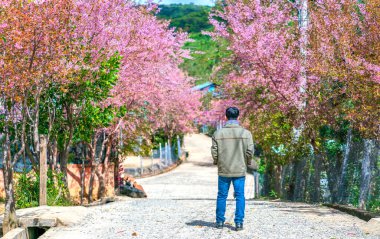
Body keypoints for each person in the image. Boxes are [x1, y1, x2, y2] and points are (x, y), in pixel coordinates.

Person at [211, 107, 254, 231]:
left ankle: (219, 221)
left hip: (224, 169)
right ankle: (239, 222)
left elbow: (214, 152)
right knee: (240, 196)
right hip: (240, 169)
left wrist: (217, 162)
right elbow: (250, 151)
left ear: (226, 117)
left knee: (221, 195)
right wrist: (247, 162)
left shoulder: (218, 133)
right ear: (238, 117)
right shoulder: (246, 133)